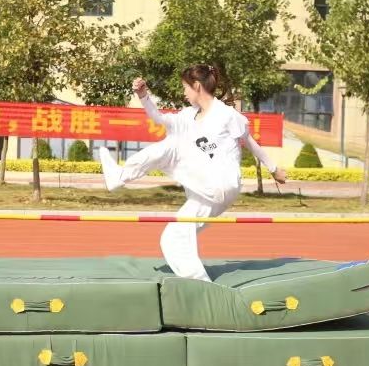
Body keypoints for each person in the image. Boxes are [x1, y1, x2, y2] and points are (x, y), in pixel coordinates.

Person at [98, 65, 288, 281]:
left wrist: (274, 169)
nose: (184, 93)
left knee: (172, 146)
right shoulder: (189, 116)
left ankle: (119, 176)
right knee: (174, 236)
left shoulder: (226, 114)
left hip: (221, 181)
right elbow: (159, 119)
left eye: (185, 87)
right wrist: (143, 96)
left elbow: (250, 143)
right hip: (206, 188)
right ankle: (200, 284)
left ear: (197, 86)